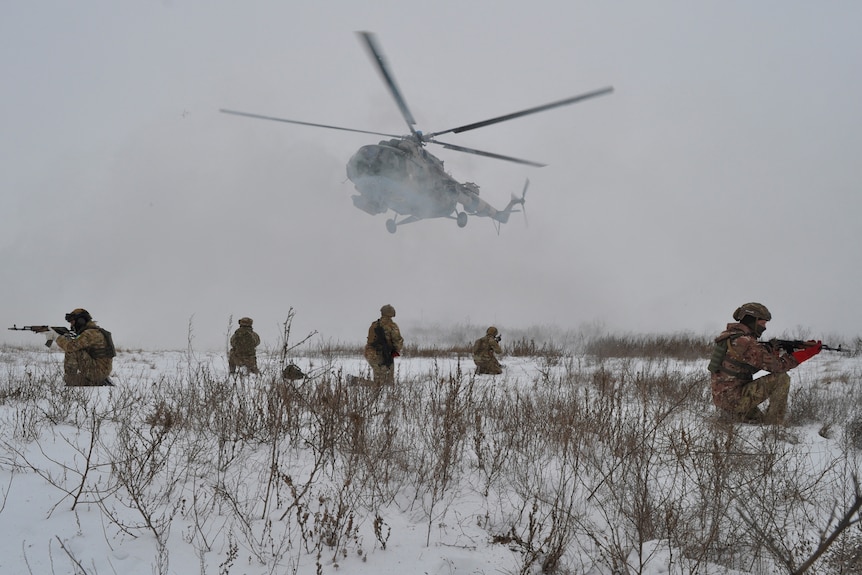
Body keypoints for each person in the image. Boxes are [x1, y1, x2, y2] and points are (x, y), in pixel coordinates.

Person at [708, 302, 821, 425]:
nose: (765, 327)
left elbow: (745, 366)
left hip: (724, 399)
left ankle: (735, 415)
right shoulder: (745, 342)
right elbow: (779, 367)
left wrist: (771, 351)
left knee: (758, 421)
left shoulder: (729, 336)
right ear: (752, 320)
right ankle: (774, 425)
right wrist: (804, 354)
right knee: (781, 378)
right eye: (762, 323)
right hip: (735, 399)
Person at [44, 308, 116, 386]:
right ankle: (99, 380)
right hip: (101, 371)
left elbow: (71, 347)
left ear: (81, 321)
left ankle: (72, 380)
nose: (71, 325)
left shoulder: (90, 333)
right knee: (74, 348)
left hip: (97, 372)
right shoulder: (95, 331)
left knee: (72, 350)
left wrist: (56, 337)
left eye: (72, 322)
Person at [364, 304, 403, 385]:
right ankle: (358, 382)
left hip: (370, 353)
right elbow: (398, 342)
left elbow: (370, 340)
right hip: (383, 354)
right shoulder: (392, 326)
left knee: (378, 379)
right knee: (386, 382)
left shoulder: (374, 324)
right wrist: (395, 350)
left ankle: (355, 381)